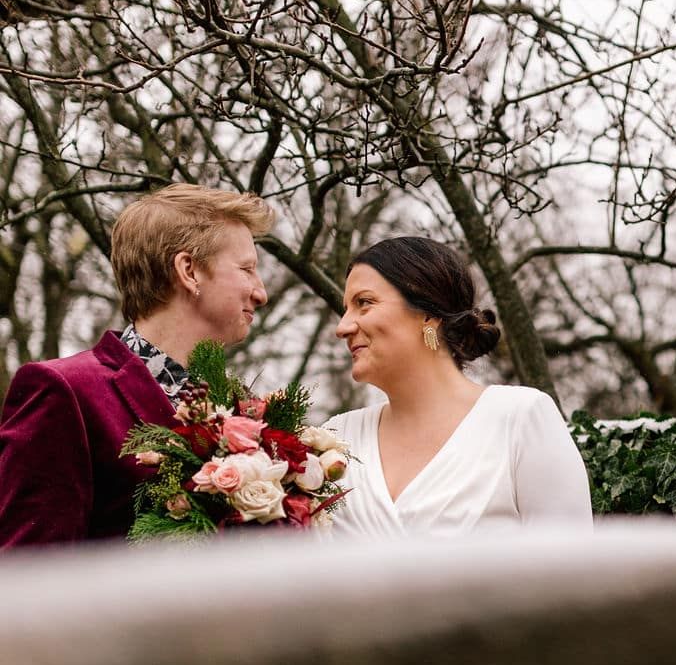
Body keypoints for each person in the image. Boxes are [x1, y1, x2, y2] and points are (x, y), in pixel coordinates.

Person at [0, 183, 270, 547]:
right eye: (246, 269)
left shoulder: (240, 409)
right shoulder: (65, 393)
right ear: (189, 271)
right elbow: (28, 575)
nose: (261, 292)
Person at [326, 236, 592, 536]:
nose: (342, 327)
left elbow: (571, 572)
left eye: (364, 303)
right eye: (345, 309)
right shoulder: (336, 438)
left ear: (428, 313)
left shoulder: (519, 419)